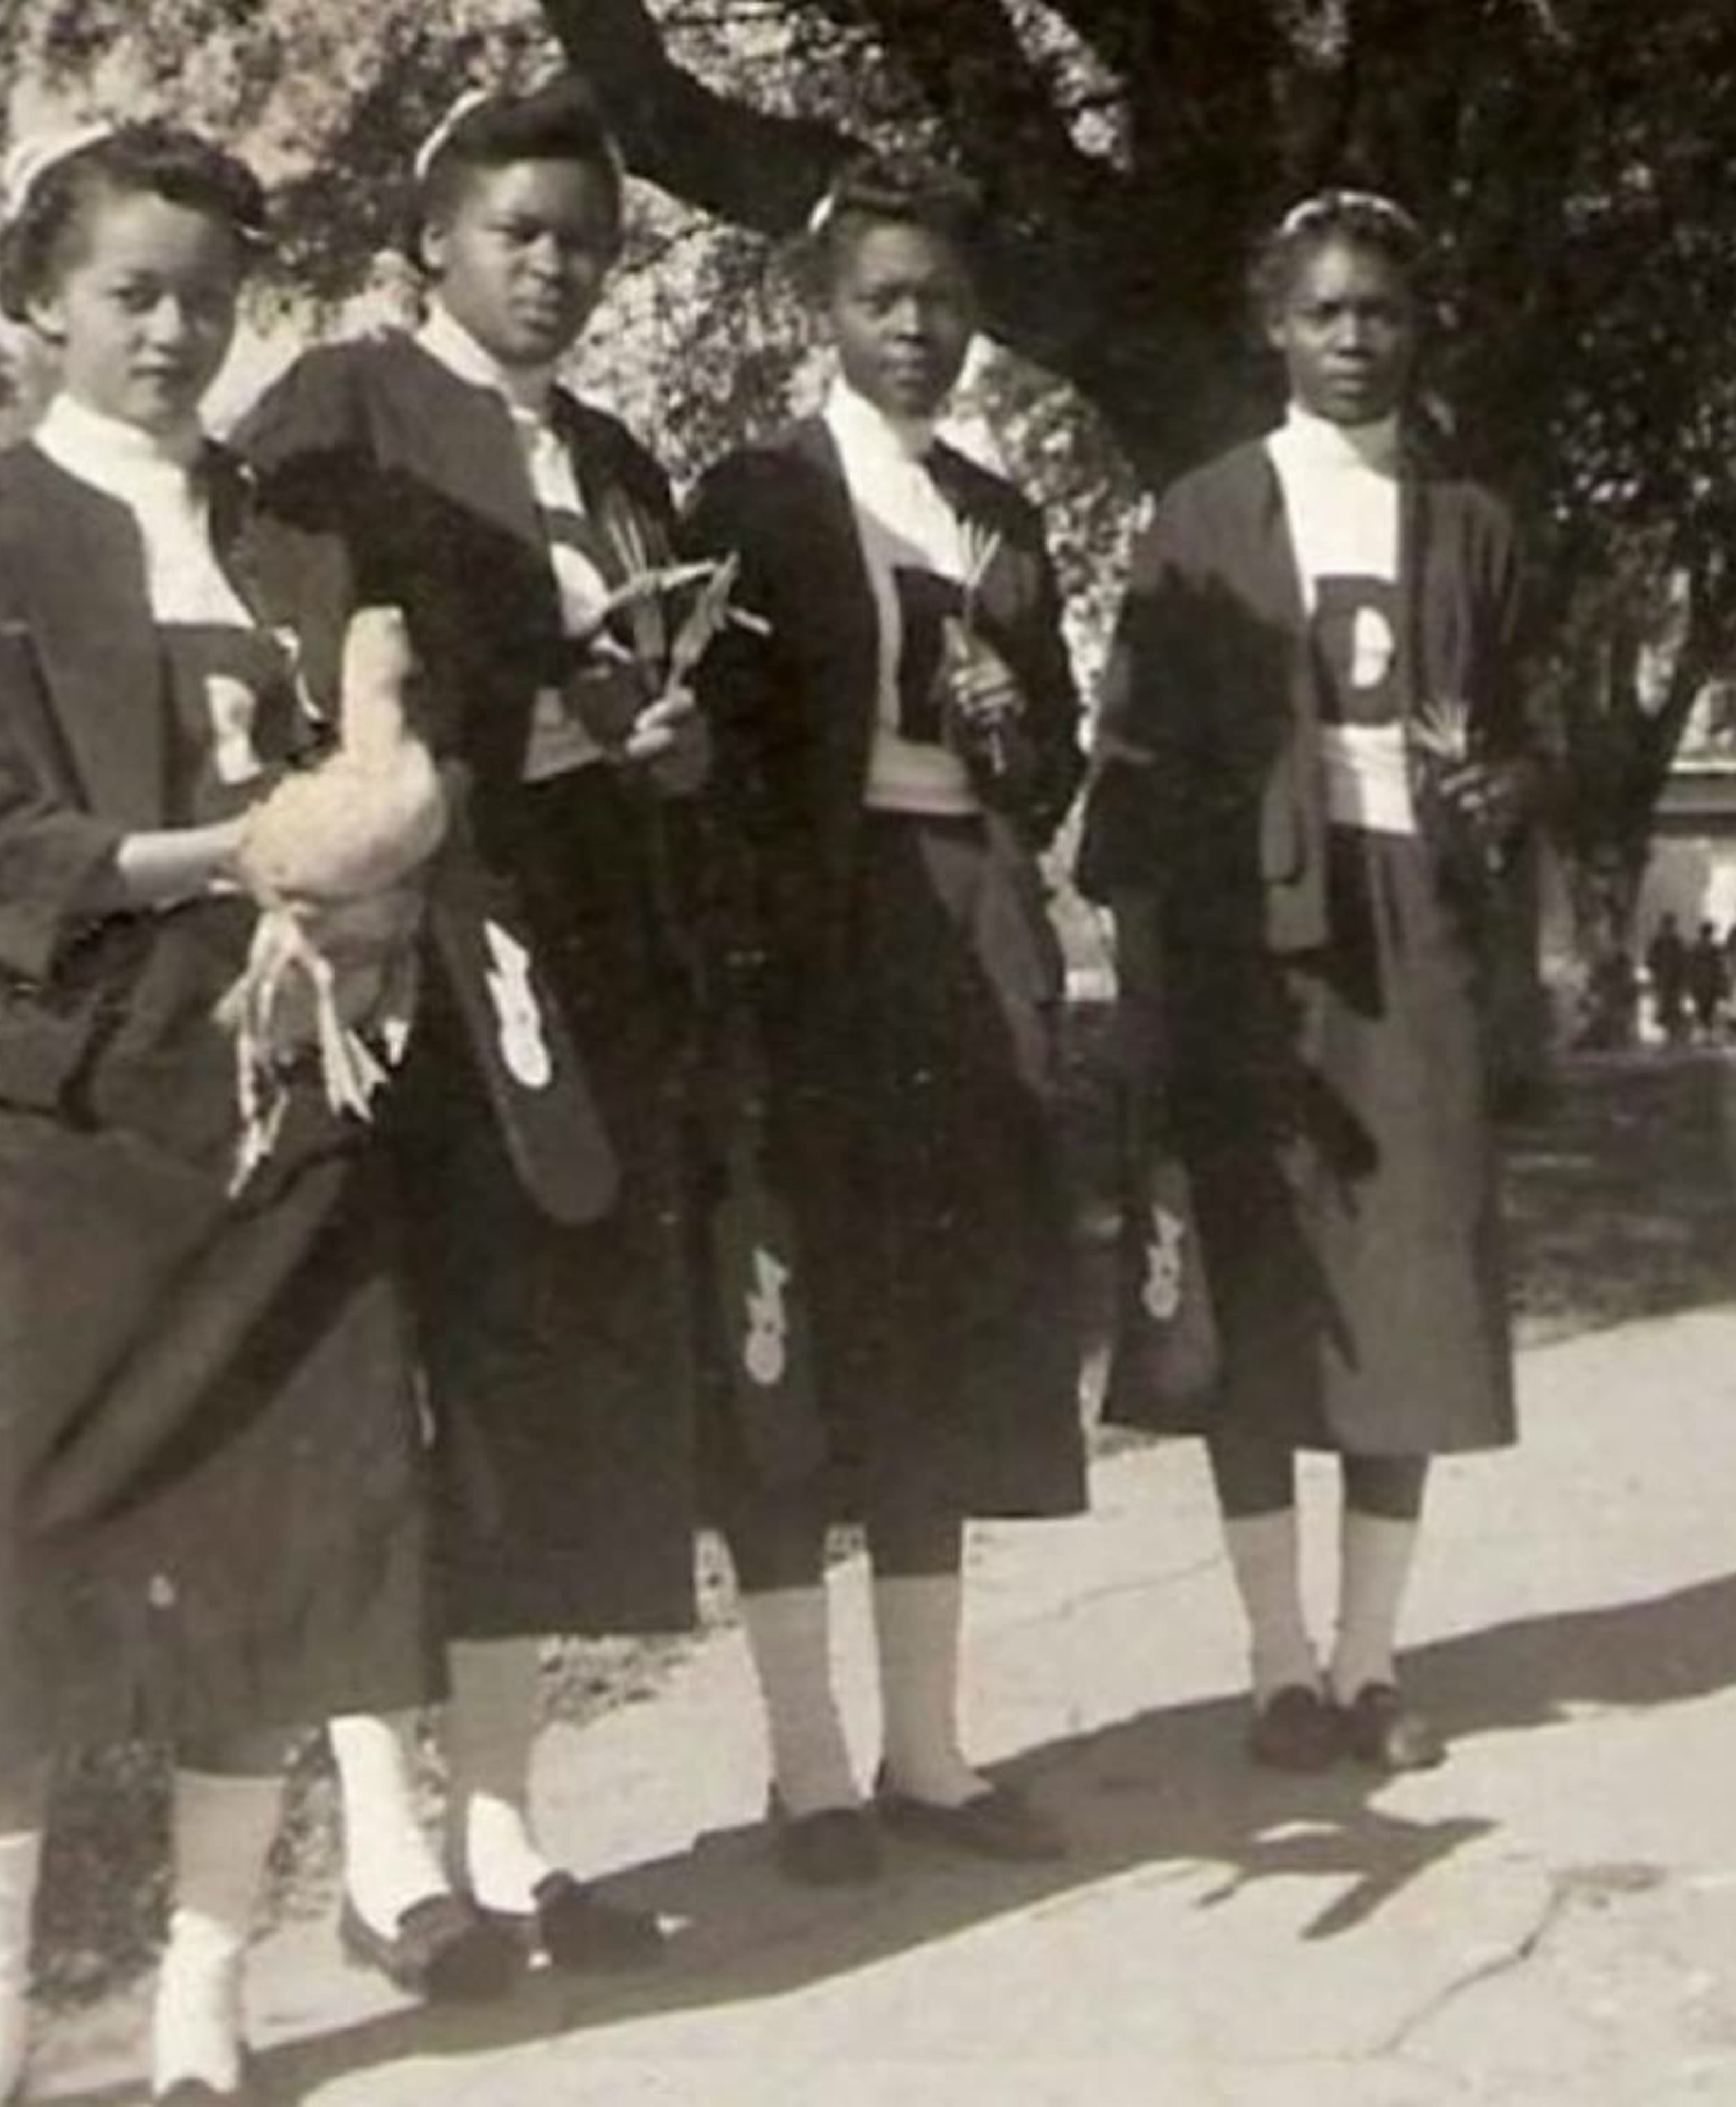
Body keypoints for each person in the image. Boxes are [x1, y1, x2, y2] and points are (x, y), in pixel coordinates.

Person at [0, 123, 512, 2107]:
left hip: (292, 1117)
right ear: (44, 298)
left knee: (274, 1560)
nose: (173, 327)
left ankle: (198, 2003)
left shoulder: (305, 544)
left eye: (209, 296)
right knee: (10, 1560)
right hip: (75, 1113)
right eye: (133, 290)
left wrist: (386, 856)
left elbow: (395, 781)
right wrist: (227, 845)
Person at [235, 76, 701, 1970]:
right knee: (381, 1377)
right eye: (520, 232)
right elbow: (312, 666)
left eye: (588, 240)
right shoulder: (345, 404)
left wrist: (655, 736)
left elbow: (638, 697)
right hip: (397, 949)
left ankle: (509, 1842)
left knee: (527, 1385)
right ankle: (382, 1855)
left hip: (573, 960)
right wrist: (523, 729)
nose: (557, 269)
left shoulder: (610, 453)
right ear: (433, 237)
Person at [1078, 189, 1534, 1776]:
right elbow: (1131, 762)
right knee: (1263, 1290)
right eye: (1324, 313)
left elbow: (1523, 733)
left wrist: (1502, 795)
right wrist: (1149, 991)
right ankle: (1275, 1661)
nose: (1354, 341)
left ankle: (1368, 1661)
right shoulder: (1205, 513)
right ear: (1274, 326)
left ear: (1418, 329)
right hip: (1247, 950)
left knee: (1406, 1285)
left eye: (1382, 314)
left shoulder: (1471, 520)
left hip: (1414, 932)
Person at [682, 157, 1088, 1883]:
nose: (916, 329)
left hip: (964, 935)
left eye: (940, 300)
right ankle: (806, 1765)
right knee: (800, 1339)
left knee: (937, 1338)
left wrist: (1011, 729)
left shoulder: (998, 516)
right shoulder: (759, 494)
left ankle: (926, 1751)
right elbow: (710, 740)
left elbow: (1050, 755)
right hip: (812, 947)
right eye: (880, 301)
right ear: (822, 315)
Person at [1648, 910, 1689, 1044]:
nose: (1668, 928)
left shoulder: (1675, 942)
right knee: (1665, 1006)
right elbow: (1651, 960)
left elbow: (1683, 961)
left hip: (1673, 980)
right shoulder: (1659, 942)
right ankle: (1670, 1033)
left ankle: (1673, 1033)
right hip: (1663, 980)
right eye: (1667, 925)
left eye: (1669, 925)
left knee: (1673, 1006)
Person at [1688, 919, 1728, 1040]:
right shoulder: (1713, 948)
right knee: (1707, 1008)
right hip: (1708, 982)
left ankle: (1704, 1035)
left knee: (1703, 1008)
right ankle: (1706, 1035)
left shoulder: (1696, 947)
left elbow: (1691, 965)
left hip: (1702, 982)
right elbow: (1719, 967)